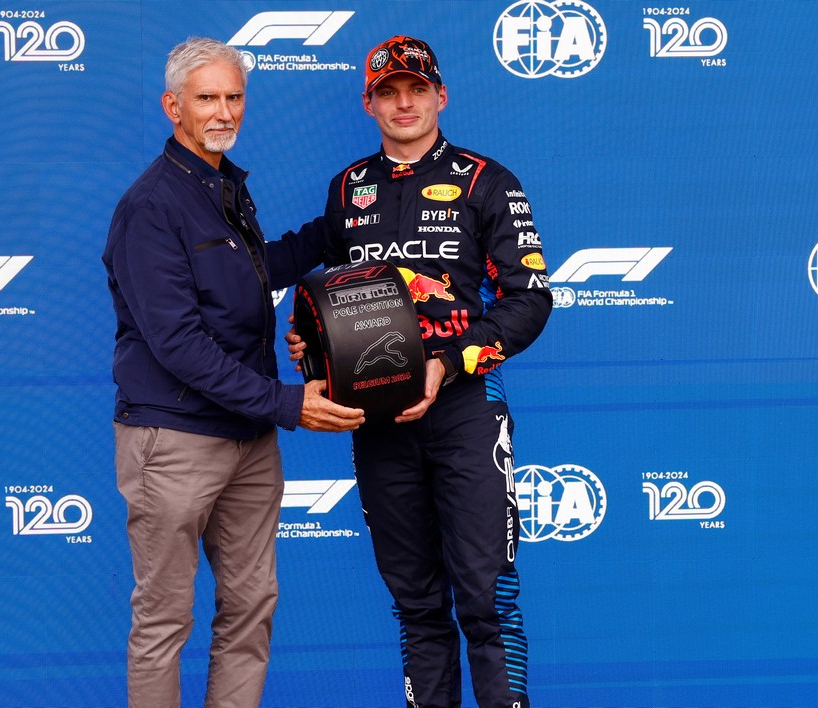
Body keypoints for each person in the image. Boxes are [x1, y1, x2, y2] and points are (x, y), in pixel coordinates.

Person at [289, 36, 552, 707]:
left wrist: (446, 361)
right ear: (368, 102)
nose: (403, 102)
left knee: (487, 598)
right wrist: (314, 351)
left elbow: (530, 300)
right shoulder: (349, 189)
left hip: (465, 409)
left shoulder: (488, 181)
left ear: (441, 95)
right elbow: (342, 301)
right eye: (388, 91)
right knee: (416, 604)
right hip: (380, 420)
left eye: (416, 88)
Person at [102, 37, 365, 708]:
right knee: (164, 623)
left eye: (234, 96)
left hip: (248, 442)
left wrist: (336, 229)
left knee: (250, 610)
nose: (223, 111)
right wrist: (285, 403)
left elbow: (250, 277)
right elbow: (180, 345)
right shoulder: (151, 207)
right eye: (207, 98)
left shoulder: (224, 186)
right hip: (176, 441)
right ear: (173, 106)